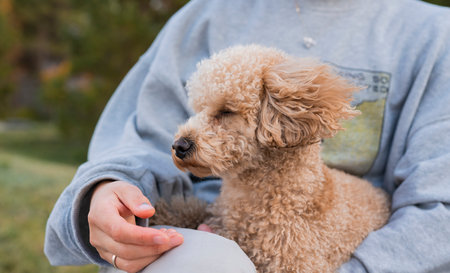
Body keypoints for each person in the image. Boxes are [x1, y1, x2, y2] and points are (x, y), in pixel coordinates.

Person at [44, 0, 450, 272]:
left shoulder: (435, 37)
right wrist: (109, 195)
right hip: (193, 243)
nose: (192, 130)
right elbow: (135, 143)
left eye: (224, 113)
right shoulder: (203, 15)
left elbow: (440, 211)